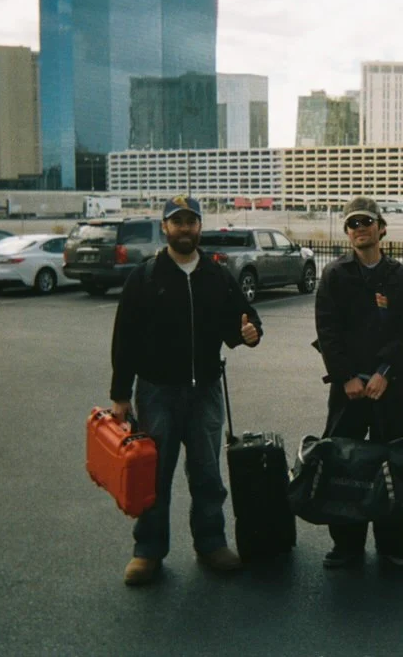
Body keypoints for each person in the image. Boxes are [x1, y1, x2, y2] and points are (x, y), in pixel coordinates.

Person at [110, 195, 263, 585]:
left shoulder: (216, 274)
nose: (184, 228)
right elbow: (123, 339)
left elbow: (242, 321)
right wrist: (120, 395)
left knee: (208, 475)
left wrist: (249, 333)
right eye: (176, 222)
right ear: (165, 228)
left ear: (199, 227)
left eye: (190, 221)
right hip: (157, 393)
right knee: (154, 477)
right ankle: (148, 551)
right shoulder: (145, 277)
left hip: (206, 392)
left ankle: (211, 544)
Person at [314, 196, 403, 569]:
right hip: (347, 391)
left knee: (393, 462)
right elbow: (327, 332)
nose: (359, 228)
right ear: (347, 233)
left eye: (366, 221)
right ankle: (346, 544)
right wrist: (345, 377)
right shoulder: (334, 276)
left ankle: (392, 544)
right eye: (352, 224)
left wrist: (385, 373)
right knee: (343, 464)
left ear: (381, 228)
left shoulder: (401, 277)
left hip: (386, 388)